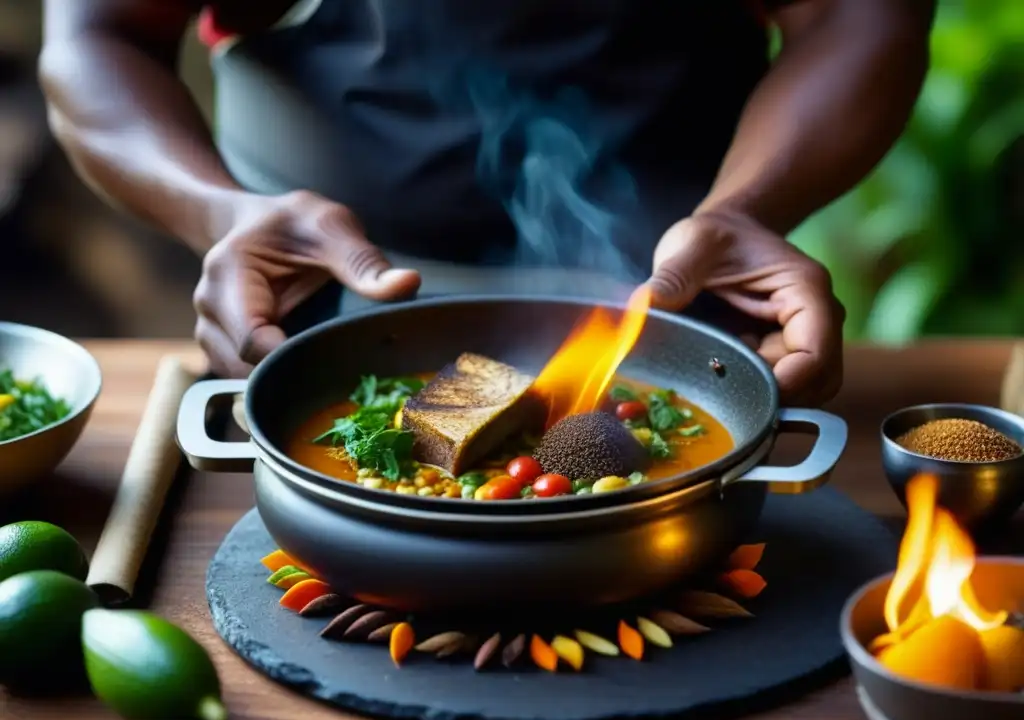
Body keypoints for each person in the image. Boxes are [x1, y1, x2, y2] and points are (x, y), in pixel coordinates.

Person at [39, 0, 934, 404]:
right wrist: (219, 212)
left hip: (685, 323)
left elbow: (864, 15)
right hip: (305, 316)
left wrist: (749, 208)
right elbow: (95, 36)